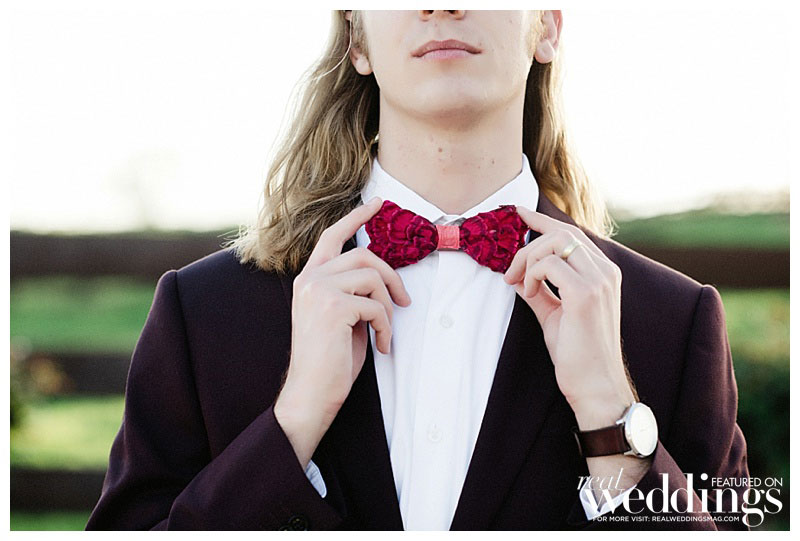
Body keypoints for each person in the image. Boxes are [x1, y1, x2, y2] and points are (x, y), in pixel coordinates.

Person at [86, 10, 749, 530]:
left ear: (546, 27)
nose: (442, 5)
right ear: (358, 40)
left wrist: (612, 416)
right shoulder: (203, 314)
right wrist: (292, 425)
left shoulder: (673, 323)